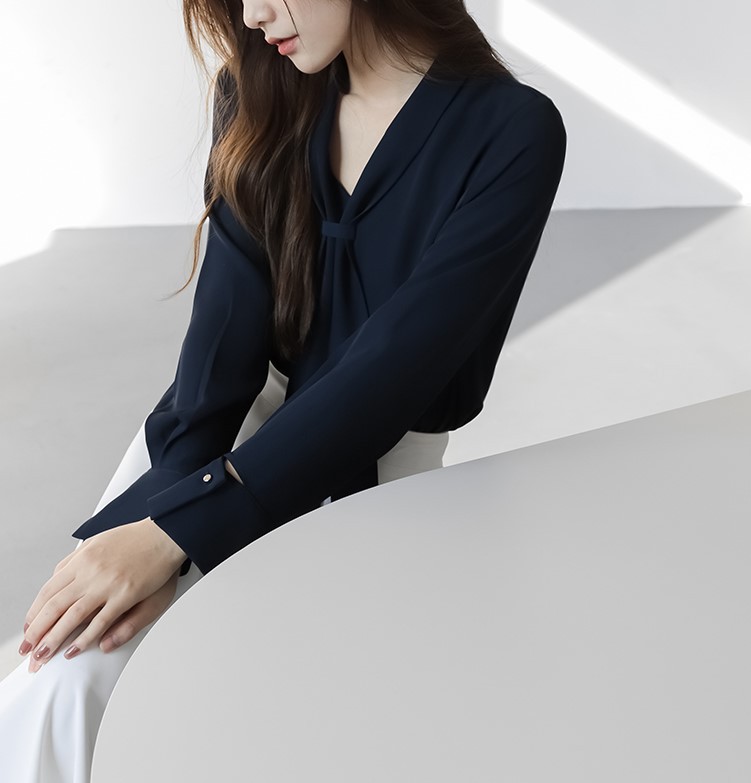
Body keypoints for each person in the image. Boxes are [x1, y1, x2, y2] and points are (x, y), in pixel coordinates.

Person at [0, 0, 567, 779]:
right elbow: (218, 357)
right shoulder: (256, 88)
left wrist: (178, 535)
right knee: (66, 676)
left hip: (380, 473)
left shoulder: (511, 132)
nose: (254, 14)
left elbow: (392, 374)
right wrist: (164, 520)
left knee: (271, 722)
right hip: (221, 433)